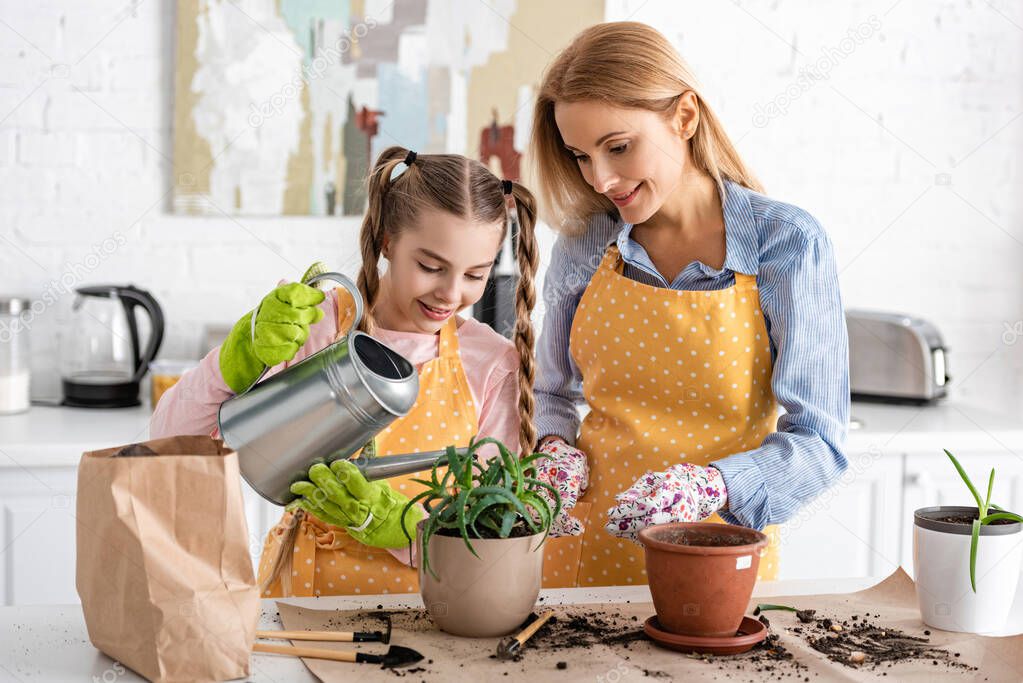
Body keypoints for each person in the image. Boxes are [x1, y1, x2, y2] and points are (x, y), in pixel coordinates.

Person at [529, 22, 850, 587]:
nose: (601, 179)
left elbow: (820, 444)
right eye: (581, 156)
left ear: (684, 116)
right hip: (587, 557)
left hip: (720, 555)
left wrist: (711, 487)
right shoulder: (585, 243)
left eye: (618, 147)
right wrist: (553, 451)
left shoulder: (788, 245)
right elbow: (550, 391)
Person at [150, 147, 540, 596]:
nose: (451, 294)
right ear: (388, 241)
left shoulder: (490, 363)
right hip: (302, 599)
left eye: (476, 274)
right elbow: (167, 443)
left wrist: (399, 525)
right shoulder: (317, 326)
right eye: (431, 267)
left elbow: (488, 532)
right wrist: (239, 355)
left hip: (430, 613)